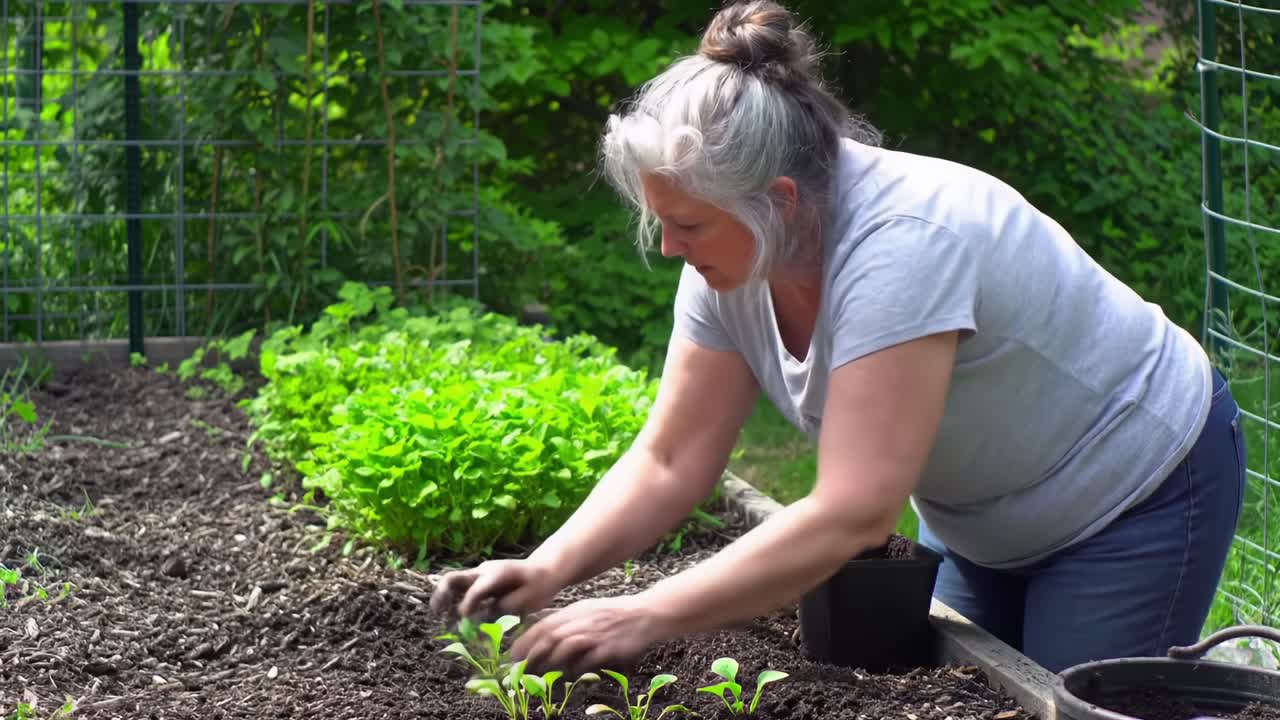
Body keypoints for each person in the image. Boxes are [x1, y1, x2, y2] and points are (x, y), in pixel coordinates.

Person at [430, 0, 1246, 676]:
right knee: (970, 688)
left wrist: (644, 613)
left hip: (1135, 489)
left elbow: (855, 510)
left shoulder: (906, 245)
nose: (668, 247)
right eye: (660, 220)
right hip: (985, 516)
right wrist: (549, 568)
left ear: (780, 201)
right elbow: (671, 459)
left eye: (686, 224)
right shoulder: (733, 260)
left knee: (1074, 698)